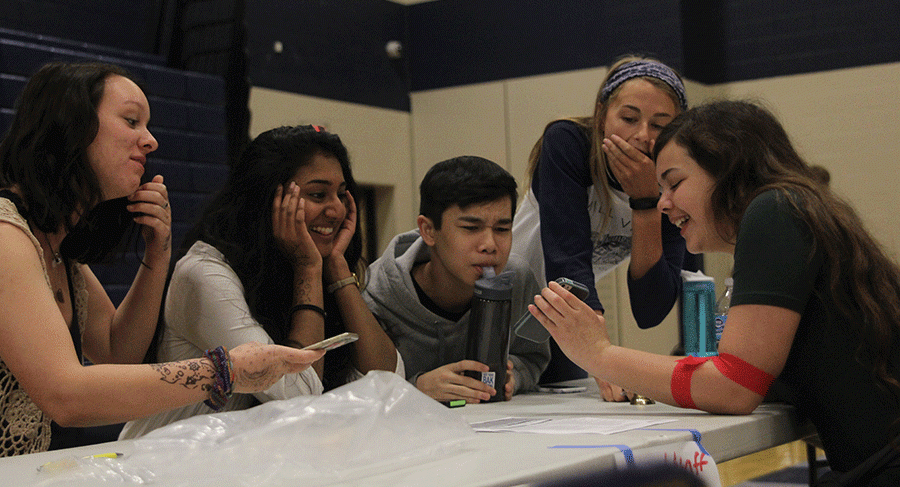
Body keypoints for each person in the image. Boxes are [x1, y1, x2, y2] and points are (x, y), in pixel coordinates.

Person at [530, 100, 900, 486]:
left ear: (727, 168)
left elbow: (735, 387)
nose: (664, 203)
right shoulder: (798, 207)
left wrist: (600, 354)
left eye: (674, 183)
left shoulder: (774, 211)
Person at [0, 62, 321, 457]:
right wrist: (225, 371)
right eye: (131, 121)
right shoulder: (6, 236)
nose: (150, 141)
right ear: (70, 126)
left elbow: (118, 351)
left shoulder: (55, 248)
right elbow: (68, 397)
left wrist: (158, 252)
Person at [121, 124, 402, 439]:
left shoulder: (308, 267)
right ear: (270, 199)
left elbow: (389, 384)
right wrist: (308, 267)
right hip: (165, 469)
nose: (336, 209)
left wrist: (337, 270)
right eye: (318, 194)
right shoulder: (204, 273)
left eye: (341, 193)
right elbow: (300, 397)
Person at [511, 55, 688, 396]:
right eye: (628, 118)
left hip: (558, 315)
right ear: (602, 114)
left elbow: (651, 308)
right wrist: (602, 355)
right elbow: (567, 261)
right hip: (512, 300)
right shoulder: (567, 143)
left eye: (660, 126)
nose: (642, 136)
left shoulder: (670, 181)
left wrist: (646, 203)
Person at [363, 156, 550, 403]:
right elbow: (347, 391)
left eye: (502, 229)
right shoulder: (376, 295)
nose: (490, 245)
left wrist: (515, 375)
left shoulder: (517, 279)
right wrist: (414, 389)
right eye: (471, 228)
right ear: (428, 230)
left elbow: (532, 356)